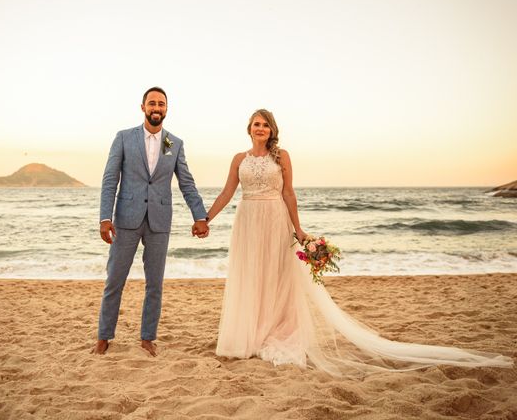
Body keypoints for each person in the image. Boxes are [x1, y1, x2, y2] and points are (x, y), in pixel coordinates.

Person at [205, 108, 513, 376]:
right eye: (256, 124)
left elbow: (289, 194)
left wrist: (299, 230)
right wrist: (205, 219)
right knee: (251, 276)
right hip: (247, 221)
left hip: (275, 217)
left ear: (272, 130)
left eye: (265, 124)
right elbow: (227, 193)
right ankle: (249, 334)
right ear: (249, 129)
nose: (260, 129)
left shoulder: (281, 156)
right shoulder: (238, 159)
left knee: (277, 277)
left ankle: (272, 332)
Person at [93, 87, 209, 356]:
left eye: (162, 104)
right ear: (143, 107)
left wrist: (200, 216)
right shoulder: (124, 138)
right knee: (115, 280)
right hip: (126, 219)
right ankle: (104, 336)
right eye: (152, 103)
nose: (157, 107)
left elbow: (186, 183)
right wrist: (104, 218)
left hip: (159, 221)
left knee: (154, 283)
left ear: (167, 109)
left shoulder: (174, 143)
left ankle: (148, 337)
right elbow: (110, 179)